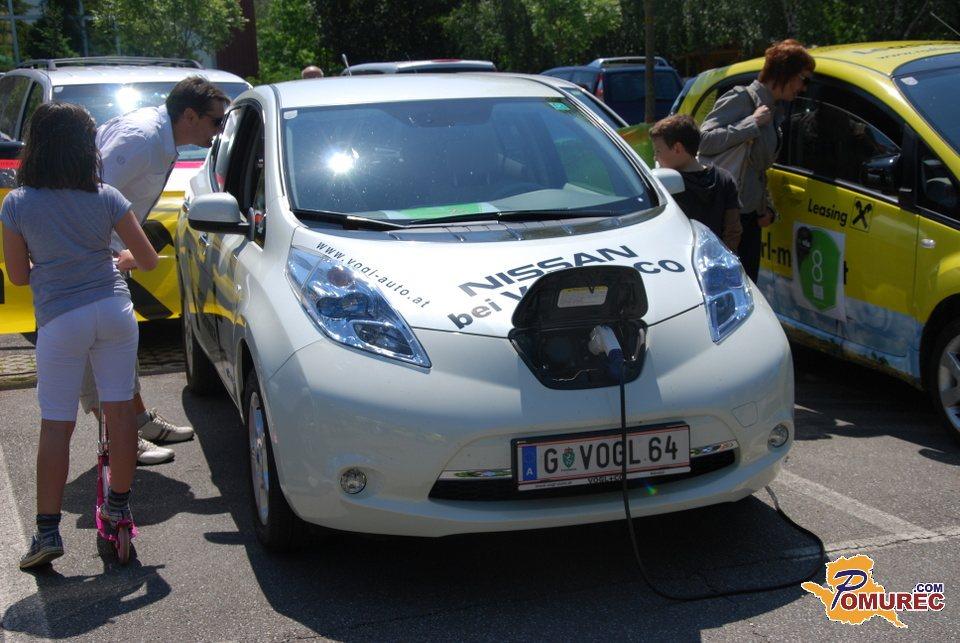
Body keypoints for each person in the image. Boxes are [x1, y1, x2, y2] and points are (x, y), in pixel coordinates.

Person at [1, 102, 160, 570]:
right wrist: (117, 260)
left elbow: (17, 276)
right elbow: (147, 258)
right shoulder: (106, 195)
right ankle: (118, 508)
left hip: (61, 319)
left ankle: (48, 531)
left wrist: (54, 263)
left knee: (57, 424)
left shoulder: (18, 203)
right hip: (114, 311)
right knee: (120, 412)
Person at [81, 76, 230, 465]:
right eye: (216, 121)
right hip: (92, 260)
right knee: (102, 354)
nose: (219, 131)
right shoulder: (142, 139)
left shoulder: (157, 137)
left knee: (119, 349)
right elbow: (89, 196)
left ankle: (138, 421)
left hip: (105, 253)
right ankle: (119, 440)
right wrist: (105, 256)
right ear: (190, 115)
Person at [698, 39, 815, 282]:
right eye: (804, 79)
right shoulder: (742, 98)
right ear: (785, 73)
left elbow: (755, 166)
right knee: (727, 286)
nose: (804, 88)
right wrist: (750, 123)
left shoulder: (774, 109)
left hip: (750, 216)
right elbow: (704, 140)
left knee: (748, 286)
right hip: (728, 217)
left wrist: (764, 207)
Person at [650, 114, 742, 251]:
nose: (655, 157)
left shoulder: (666, 184)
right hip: (718, 257)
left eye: (658, 151)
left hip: (681, 259)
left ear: (677, 148)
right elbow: (733, 231)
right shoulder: (724, 178)